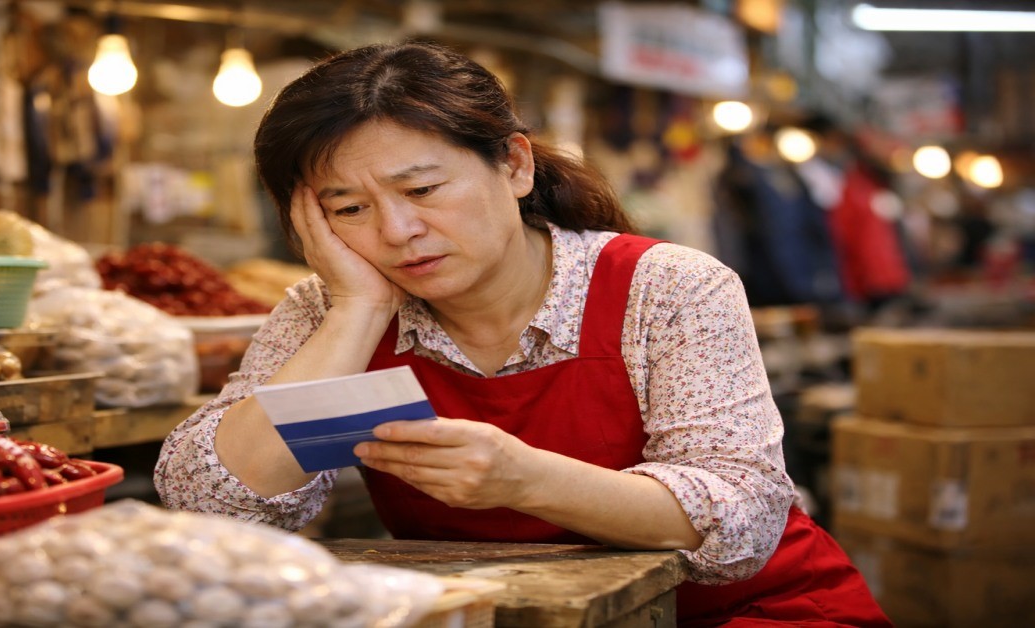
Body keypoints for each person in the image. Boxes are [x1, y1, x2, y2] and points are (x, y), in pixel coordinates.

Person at [155, 41, 891, 627]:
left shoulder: (668, 288)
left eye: (422, 190)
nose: (398, 231)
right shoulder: (333, 311)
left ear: (512, 163)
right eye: (348, 209)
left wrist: (526, 480)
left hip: (748, 613)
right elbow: (213, 502)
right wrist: (355, 312)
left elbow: (742, 519)